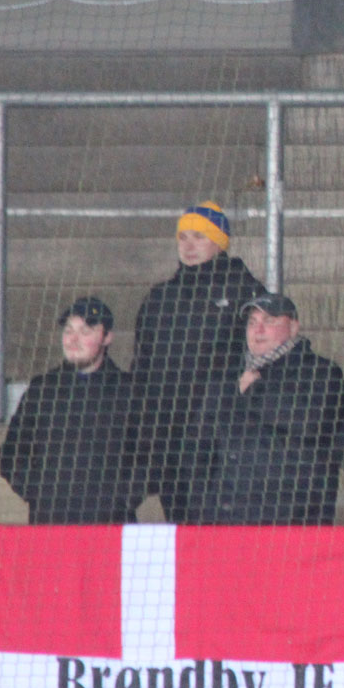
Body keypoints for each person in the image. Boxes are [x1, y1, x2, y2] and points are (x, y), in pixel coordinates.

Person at [132, 201, 267, 522]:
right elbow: (142, 368)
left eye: (199, 237)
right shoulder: (159, 298)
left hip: (222, 439)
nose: (189, 245)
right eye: (183, 237)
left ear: (219, 241)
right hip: (170, 439)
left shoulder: (244, 292)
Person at [188, 293, 344, 524]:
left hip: (291, 521)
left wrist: (250, 393)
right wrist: (203, 510)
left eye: (270, 321)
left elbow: (310, 422)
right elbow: (198, 443)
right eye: (252, 322)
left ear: (294, 327)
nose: (258, 330)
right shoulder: (229, 376)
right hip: (226, 520)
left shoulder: (321, 372)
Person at [0, 297, 144, 523]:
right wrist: (39, 494)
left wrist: (123, 498)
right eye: (68, 331)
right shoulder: (42, 390)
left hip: (111, 528)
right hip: (50, 528)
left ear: (107, 337)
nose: (73, 340)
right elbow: (12, 453)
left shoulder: (131, 392)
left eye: (85, 332)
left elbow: (154, 455)